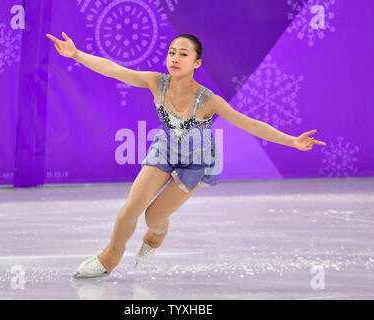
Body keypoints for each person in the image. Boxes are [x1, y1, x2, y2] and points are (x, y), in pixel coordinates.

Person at [46, 32, 327, 279]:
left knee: (152, 218)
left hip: (195, 161)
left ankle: (157, 236)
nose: (175, 58)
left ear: (197, 63)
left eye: (183, 54)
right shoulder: (157, 82)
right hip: (165, 149)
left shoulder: (208, 100)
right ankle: (110, 257)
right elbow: (114, 70)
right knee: (131, 207)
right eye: (171, 52)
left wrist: (292, 141)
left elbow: (249, 123)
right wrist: (76, 54)